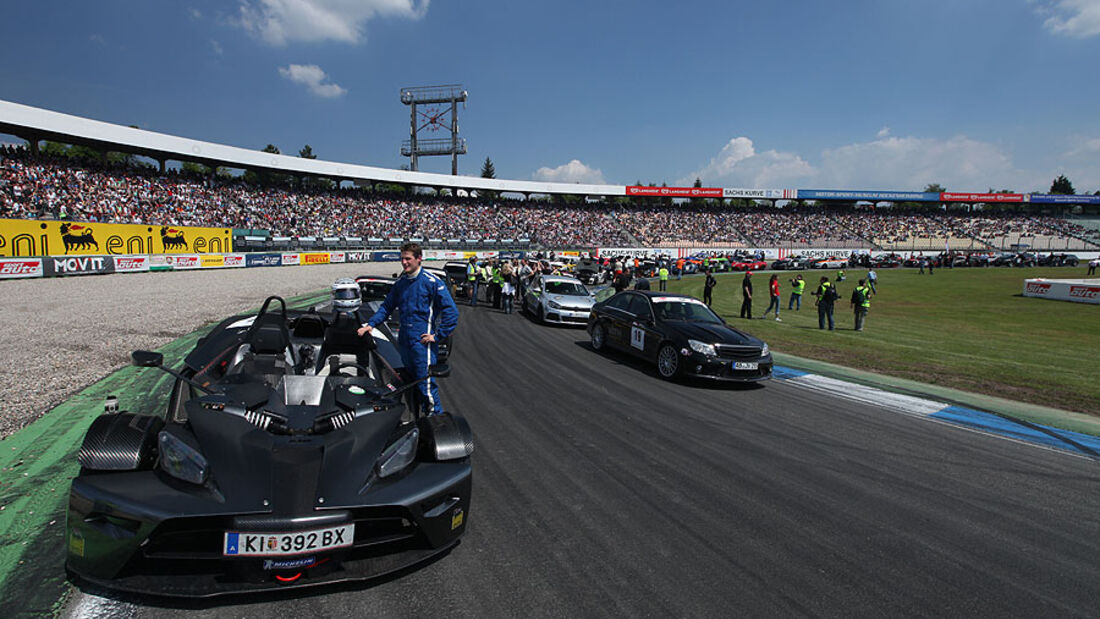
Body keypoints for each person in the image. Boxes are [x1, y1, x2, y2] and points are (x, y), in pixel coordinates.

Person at [358, 243, 458, 415]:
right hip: (404, 342)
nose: (404, 262)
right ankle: (417, 418)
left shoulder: (432, 282)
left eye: (408, 259)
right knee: (409, 383)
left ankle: (435, 420)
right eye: (402, 258)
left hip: (422, 343)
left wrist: (437, 335)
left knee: (425, 384)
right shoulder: (401, 283)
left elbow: (452, 312)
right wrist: (370, 325)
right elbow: (386, 307)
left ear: (419, 259)